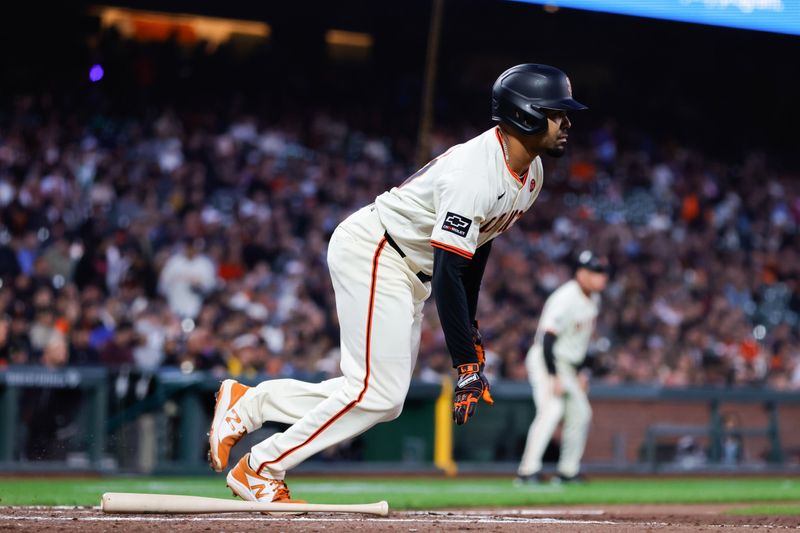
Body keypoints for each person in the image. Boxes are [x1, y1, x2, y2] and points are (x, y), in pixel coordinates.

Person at [207, 63, 587, 502]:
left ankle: (249, 405)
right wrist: (464, 361)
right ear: (526, 114)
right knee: (373, 391)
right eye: (557, 112)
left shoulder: (532, 173)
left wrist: (472, 332)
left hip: (406, 267)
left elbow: (478, 247)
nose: (567, 122)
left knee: (383, 400)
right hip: (378, 250)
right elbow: (449, 269)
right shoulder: (474, 172)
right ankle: (260, 467)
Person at [516, 250, 609, 484]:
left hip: (569, 365)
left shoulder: (594, 299)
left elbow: (580, 342)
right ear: (581, 273)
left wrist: (581, 372)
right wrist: (554, 375)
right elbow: (547, 338)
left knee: (581, 413)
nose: (602, 277)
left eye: (603, 272)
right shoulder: (565, 297)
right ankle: (527, 471)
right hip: (546, 359)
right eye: (596, 272)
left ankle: (568, 471)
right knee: (552, 410)